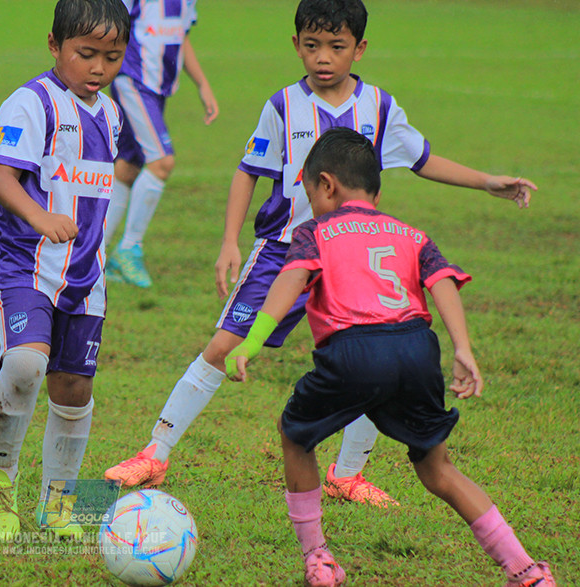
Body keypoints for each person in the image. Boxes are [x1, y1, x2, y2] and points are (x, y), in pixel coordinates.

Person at [105, 0, 536, 507]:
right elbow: (248, 171)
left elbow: (423, 159)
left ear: (360, 48)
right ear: (296, 45)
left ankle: (346, 474)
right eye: (312, 46)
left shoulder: (379, 106)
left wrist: (487, 181)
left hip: (352, 259)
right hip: (283, 251)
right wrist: (229, 242)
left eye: (336, 46)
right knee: (222, 346)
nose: (323, 57)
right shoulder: (283, 106)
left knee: (372, 358)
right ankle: (155, 452)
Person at [226, 127, 556, 587]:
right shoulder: (411, 234)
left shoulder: (314, 231)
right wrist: (462, 348)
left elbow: (291, 280)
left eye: (310, 192)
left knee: (294, 435)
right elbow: (442, 282)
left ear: (326, 185)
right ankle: (526, 570)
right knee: (437, 468)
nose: (311, 202)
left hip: (354, 350)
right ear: (375, 191)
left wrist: (251, 341)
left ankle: (319, 559)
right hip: (417, 348)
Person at [0, 0, 129, 542]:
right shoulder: (31, 103)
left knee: (74, 389)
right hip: (25, 263)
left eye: (111, 57)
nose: (98, 68)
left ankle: (60, 504)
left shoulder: (111, 114)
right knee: (24, 366)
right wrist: (41, 217)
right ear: (54, 45)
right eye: (85, 54)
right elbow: (0, 177)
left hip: (85, 275)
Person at [102, 0, 218, 288]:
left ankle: (94, 255)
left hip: (160, 88)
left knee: (127, 167)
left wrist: (202, 85)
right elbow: (106, 30)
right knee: (162, 162)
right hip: (132, 81)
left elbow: (181, 38)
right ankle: (128, 250)